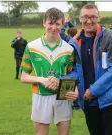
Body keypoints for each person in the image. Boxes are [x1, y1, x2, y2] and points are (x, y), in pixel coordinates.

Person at [66, 4, 112, 135]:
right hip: (87, 102)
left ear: (99, 18)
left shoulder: (110, 37)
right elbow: (73, 70)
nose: (89, 21)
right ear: (80, 18)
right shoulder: (73, 43)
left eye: (93, 17)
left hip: (109, 101)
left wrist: (93, 90)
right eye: (85, 17)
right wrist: (62, 83)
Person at [20, 7, 78, 135]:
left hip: (63, 96)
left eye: (57, 24)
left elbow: (72, 75)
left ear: (63, 24)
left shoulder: (69, 49)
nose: (53, 27)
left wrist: (75, 89)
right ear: (44, 22)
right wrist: (42, 80)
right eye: (50, 23)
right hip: (40, 96)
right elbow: (24, 77)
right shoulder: (31, 46)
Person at [59, 16, 79, 110]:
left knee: (70, 80)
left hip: (70, 62)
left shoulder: (68, 40)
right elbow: (74, 28)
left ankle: (73, 102)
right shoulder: (79, 38)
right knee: (78, 82)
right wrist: (70, 23)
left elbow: (60, 32)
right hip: (79, 62)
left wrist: (66, 23)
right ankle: (77, 102)